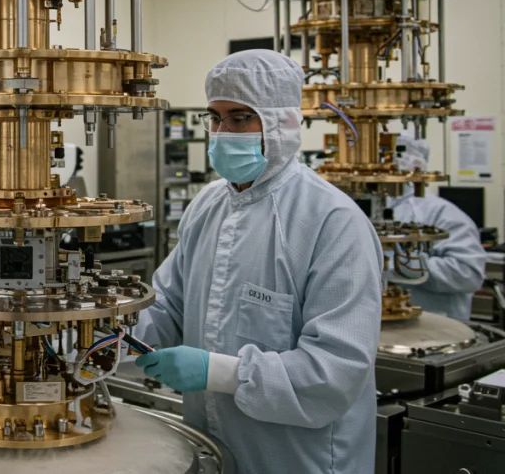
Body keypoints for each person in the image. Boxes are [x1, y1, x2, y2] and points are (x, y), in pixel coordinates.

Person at [134, 50, 382, 473]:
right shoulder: (208, 204)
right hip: (211, 443)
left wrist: (220, 373)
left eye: (240, 118)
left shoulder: (332, 220)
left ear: (280, 123)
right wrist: (102, 331)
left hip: (299, 458)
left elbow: (336, 370)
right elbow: (167, 306)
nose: (222, 132)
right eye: (214, 118)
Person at [391, 134, 487, 320]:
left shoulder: (443, 214)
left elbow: (468, 273)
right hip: (381, 326)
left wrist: (401, 266)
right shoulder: (371, 208)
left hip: (434, 325)